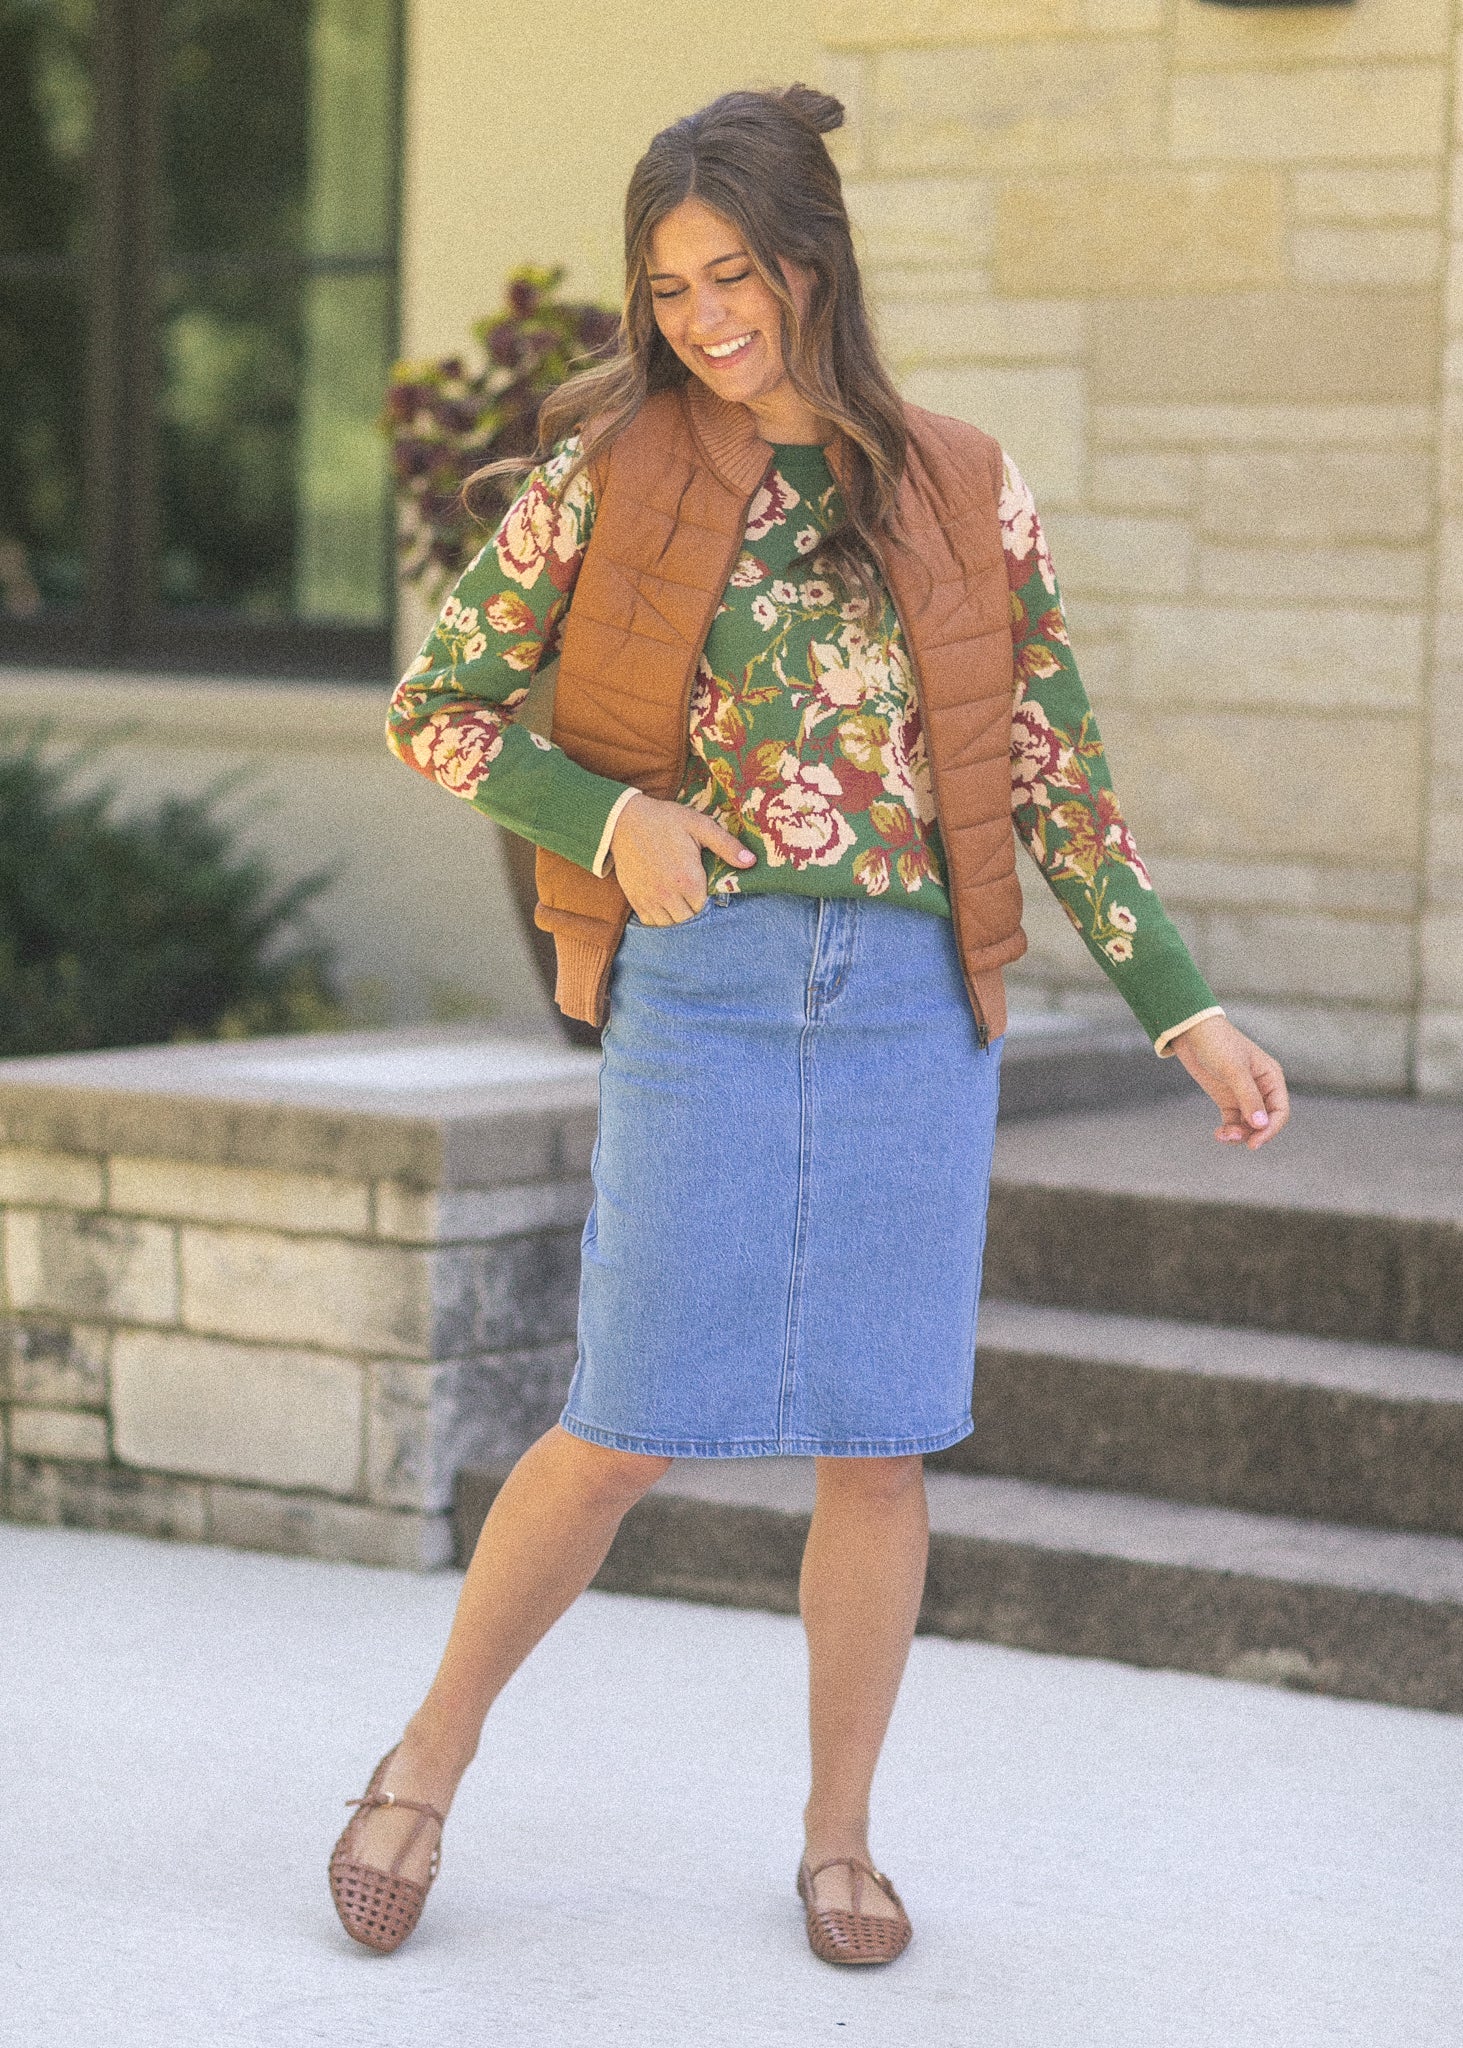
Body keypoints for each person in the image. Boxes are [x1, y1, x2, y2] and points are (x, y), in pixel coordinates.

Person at [331, 83, 1290, 1969]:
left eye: (735, 273)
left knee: (879, 1440)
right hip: (706, 990)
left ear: (811, 262)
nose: (704, 316)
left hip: (917, 1011)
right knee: (619, 1424)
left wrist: (1184, 1010)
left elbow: (1052, 775)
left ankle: (839, 1838)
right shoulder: (608, 468)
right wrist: (613, 820)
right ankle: (425, 1759)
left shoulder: (961, 481)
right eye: (671, 284)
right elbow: (434, 708)